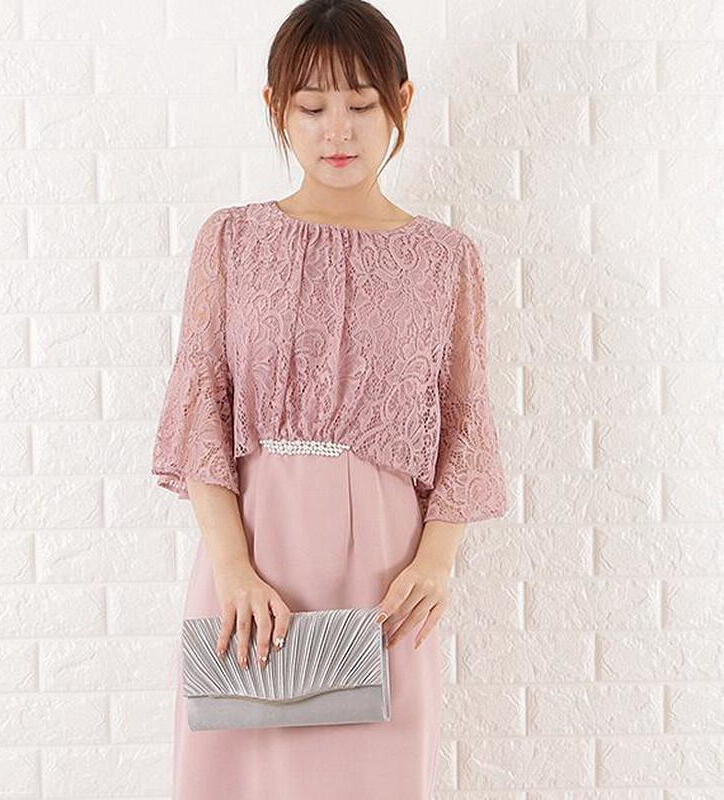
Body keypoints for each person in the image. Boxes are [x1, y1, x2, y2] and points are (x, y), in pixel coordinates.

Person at [151, 1, 507, 797]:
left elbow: (467, 422)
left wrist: (437, 560)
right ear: (275, 107)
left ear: (401, 103)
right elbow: (199, 408)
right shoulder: (231, 240)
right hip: (251, 555)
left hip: (387, 574)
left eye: (361, 105)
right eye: (311, 108)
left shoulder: (446, 259)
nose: (336, 131)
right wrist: (232, 568)